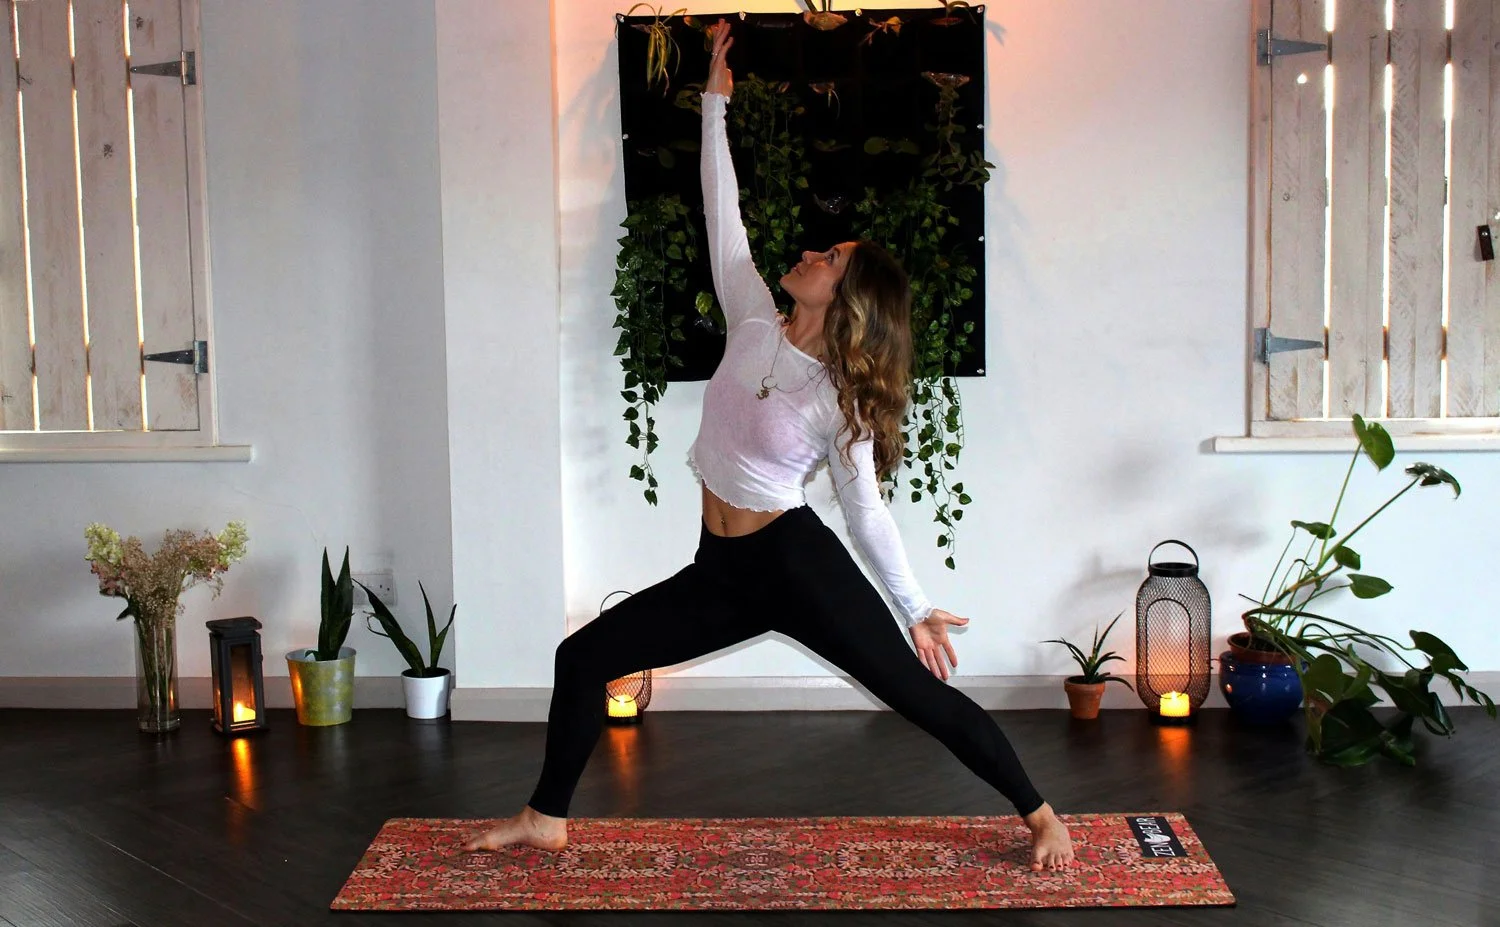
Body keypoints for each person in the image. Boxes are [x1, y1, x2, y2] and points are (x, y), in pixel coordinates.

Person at [464, 19, 1074, 872]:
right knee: (583, 657)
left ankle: (1042, 812)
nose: (811, 252)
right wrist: (714, 108)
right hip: (723, 570)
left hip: (796, 566)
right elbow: (724, 213)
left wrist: (914, 605)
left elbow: (865, 511)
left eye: (830, 256)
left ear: (848, 296)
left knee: (914, 692)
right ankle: (546, 816)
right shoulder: (753, 315)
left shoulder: (840, 398)